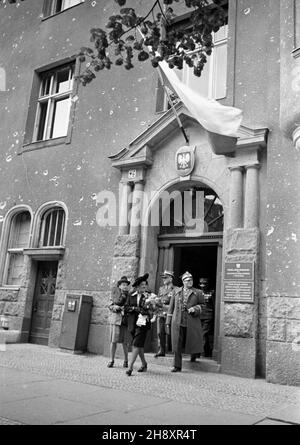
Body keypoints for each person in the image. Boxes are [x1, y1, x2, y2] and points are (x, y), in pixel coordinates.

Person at [166, 271, 204, 372]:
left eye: (191, 280)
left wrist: (195, 309)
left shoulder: (198, 292)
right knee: (177, 343)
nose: (190, 282)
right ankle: (177, 366)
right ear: (183, 282)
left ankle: (194, 356)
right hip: (177, 321)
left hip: (192, 321)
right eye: (187, 280)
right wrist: (168, 322)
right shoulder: (176, 291)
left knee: (193, 340)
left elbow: (203, 306)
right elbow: (171, 307)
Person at [125, 273, 153, 376]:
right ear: (137, 287)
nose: (144, 287)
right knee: (139, 345)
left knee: (136, 344)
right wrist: (135, 309)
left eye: (145, 285)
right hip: (132, 323)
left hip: (143, 323)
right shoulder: (131, 295)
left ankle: (130, 367)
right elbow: (126, 308)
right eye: (142, 285)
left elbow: (152, 309)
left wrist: (147, 310)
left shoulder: (149, 296)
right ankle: (144, 364)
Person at [107, 276, 130, 368]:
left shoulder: (129, 295)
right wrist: (114, 307)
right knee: (113, 341)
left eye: (126, 285)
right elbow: (109, 304)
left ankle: (126, 360)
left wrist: (125, 308)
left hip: (124, 321)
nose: (125, 286)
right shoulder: (115, 294)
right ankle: (111, 360)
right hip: (115, 320)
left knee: (125, 342)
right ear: (119, 286)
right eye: (123, 285)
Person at [154, 270, 178, 358]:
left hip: (170, 314)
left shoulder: (175, 289)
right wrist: (156, 302)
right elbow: (158, 299)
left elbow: (175, 304)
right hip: (160, 313)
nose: (164, 279)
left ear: (171, 279)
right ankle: (161, 350)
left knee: (171, 332)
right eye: (163, 278)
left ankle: (174, 350)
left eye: (166, 278)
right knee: (160, 332)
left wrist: (163, 305)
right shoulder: (161, 289)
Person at [199, 277, 215, 358]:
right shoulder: (198, 293)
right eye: (201, 283)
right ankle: (207, 351)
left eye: (204, 283)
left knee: (203, 333)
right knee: (204, 335)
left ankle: (201, 352)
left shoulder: (211, 293)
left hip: (208, 316)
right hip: (199, 316)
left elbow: (214, 305)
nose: (202, 285)